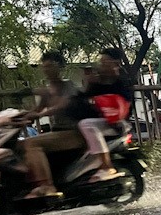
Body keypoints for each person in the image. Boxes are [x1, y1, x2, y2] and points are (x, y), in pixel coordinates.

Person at [22, 51, 87, 198]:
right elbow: (36, 110)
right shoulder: (48, 89)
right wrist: (18, 117)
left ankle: (47, 186)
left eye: (50, 66)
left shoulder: (68, 86)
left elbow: (61, 105)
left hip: (74, 132)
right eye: (44, 66)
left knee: (31, 143)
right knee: (19, 146)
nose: (47, 69)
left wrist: (40, 114)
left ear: (60, 67)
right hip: (58, 132)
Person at [77, 48, 133, 182]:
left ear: (115, 63)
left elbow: (123, 105)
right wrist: (88, 86)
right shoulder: (97, 83)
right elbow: (82, 100)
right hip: (101, 122)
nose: (101, 66)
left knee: (86, 124)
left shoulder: (122, 82)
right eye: (101, 62)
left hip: (116, 123)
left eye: (105, 62)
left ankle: (106, 166)